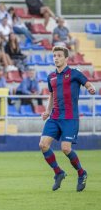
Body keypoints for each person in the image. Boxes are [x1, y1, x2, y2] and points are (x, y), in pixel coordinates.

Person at [39, 46, 95, 192]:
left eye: (59, 55)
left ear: (66, 58)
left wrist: (90, 88)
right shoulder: (50, 76)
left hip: (70, 118)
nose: (56, 58)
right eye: (54, 56)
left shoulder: (75, 73)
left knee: (65, 148)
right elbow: (51, 95)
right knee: (43, 145)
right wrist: (47, 111)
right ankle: (58, 172)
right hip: (55, 117)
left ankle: (81, 173)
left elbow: (88, 84)